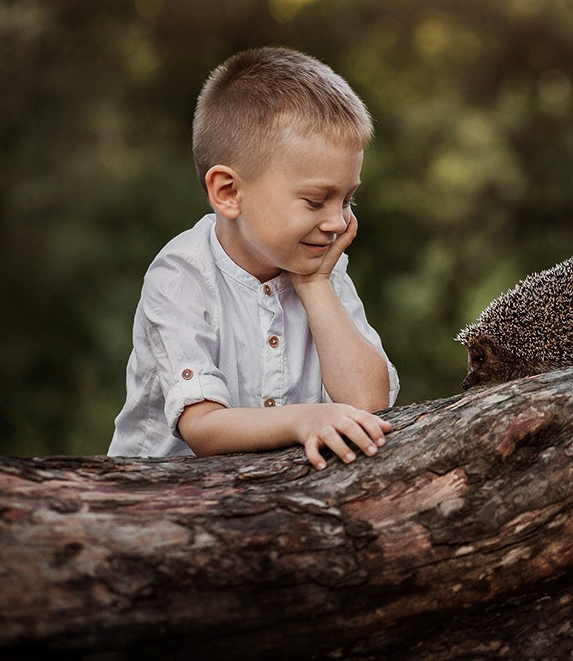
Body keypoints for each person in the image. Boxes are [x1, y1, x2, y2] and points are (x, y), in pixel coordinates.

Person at [108, 47, 398, 469]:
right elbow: (203, 427)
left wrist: (314, 285)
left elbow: (369, 403)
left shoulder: (322, 271)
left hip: (273, 495)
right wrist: (304, 419)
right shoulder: (182, 276)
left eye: (348, 199)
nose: (338, 222)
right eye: (316, 201)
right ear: (228, 193)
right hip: (158, 497)